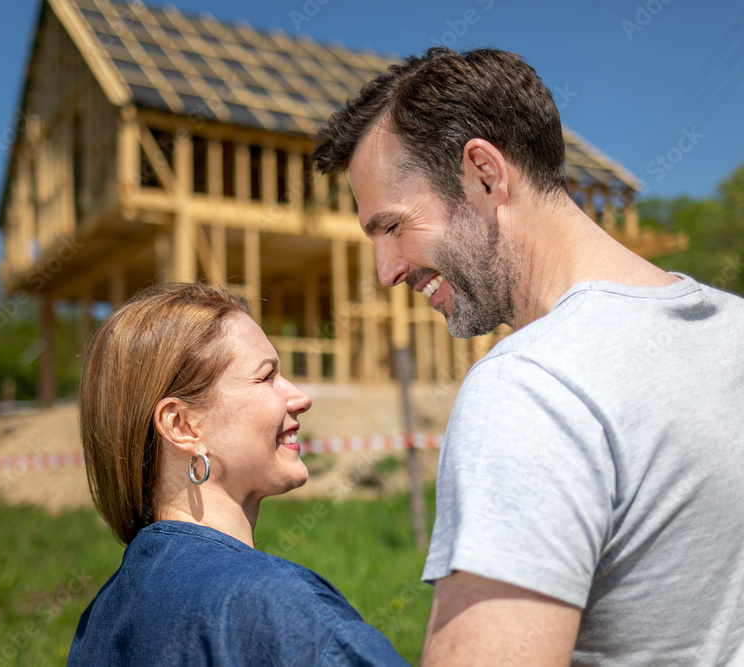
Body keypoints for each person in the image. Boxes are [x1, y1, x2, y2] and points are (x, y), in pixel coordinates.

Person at [313, 47, 744, 665]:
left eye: (393, 227)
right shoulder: (735, 329)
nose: (386, 272)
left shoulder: (530, 387)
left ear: (484, 174)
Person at [67, 283, 409, 666]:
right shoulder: (272, 604)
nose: (300, 396)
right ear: (181, 425)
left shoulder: (99, 622)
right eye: (266, 377)